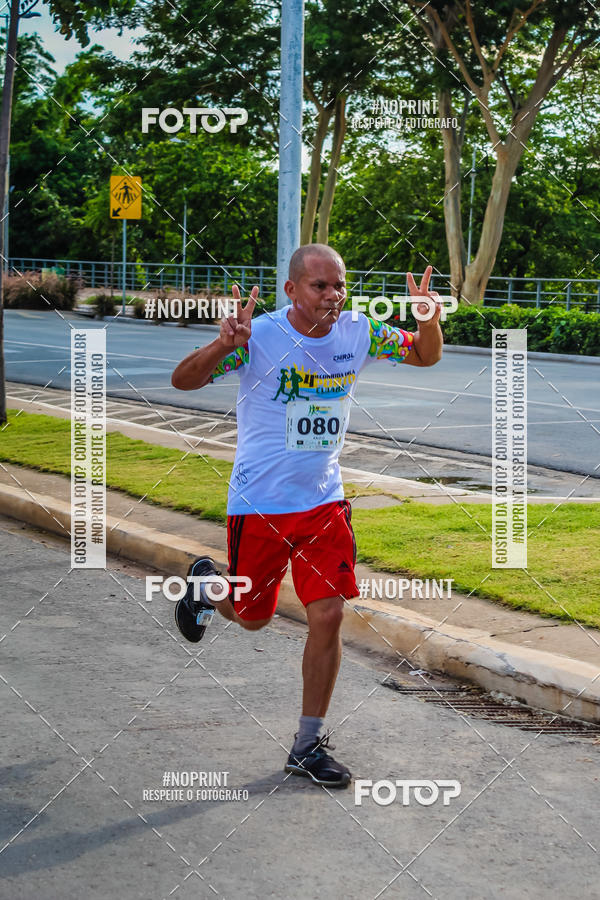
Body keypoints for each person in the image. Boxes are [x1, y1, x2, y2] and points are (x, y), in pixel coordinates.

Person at [171, 244, 443, 788]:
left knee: (329, 614)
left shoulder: (360, 331)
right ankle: (206, 588)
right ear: (292, 290)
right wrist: (222, 344)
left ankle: (307, 744)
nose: (333, 295)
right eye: (320, 286)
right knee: (253, 618)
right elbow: (183, 380)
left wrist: (427, 318)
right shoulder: (258, 336)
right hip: (261, 505)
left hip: (323, 502)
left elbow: (424, 355)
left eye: (339, 285)